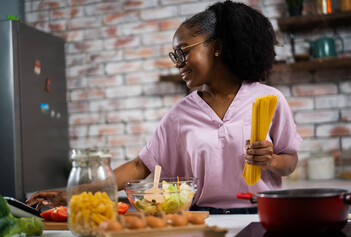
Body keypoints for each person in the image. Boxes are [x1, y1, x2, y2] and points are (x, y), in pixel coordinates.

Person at [26, 0, 302, 214]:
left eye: (183, 51)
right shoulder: (180, 115)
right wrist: (70, 193)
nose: (177, 61)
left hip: (260, 214)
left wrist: (272, 161)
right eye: (174, 55)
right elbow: (138, 166)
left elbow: (289, 161)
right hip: (203, 218)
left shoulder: (268, 100)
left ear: (216, 46)